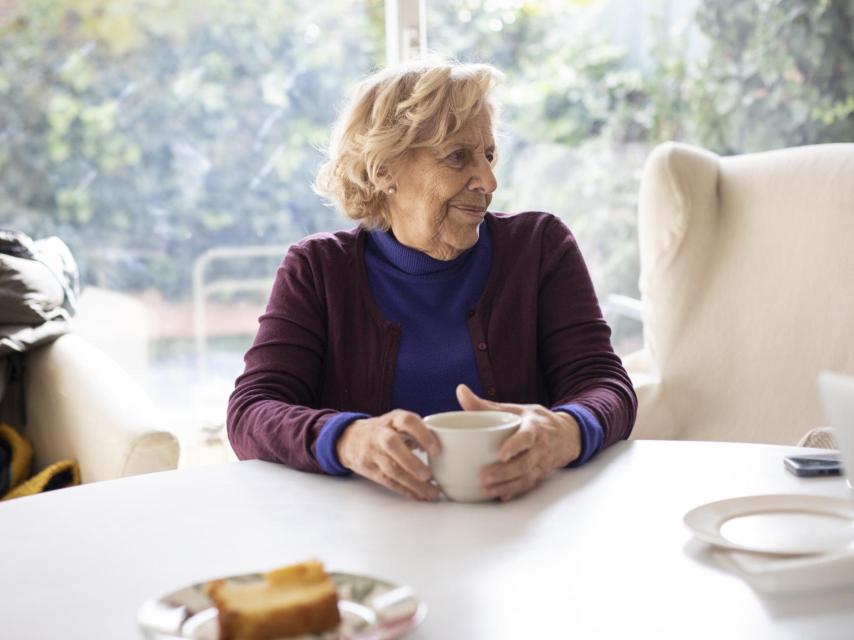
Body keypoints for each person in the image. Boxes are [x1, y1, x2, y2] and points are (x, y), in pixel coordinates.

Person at [227, 59, 637, 502]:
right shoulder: (316, 269)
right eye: (458, 156)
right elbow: (251, 412)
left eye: (489, 155)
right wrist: (346, 439)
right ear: (383, 170)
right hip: (364, 530)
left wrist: (569, 429)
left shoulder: (539, 247)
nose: (488, 180)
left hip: (521, 522)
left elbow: (604, 384)